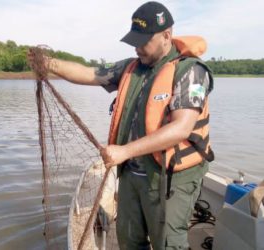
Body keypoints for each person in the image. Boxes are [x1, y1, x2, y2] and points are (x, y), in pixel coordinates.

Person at [28, 1, 214, 249]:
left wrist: (124, 151)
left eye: (143, 41)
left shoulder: (190, 72)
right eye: (134, 41)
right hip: (131, 175)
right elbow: (87, 73)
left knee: (168, 244)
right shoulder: (129, 67)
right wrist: (49, 64)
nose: (137, 47)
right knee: (129, 239)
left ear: (166, 36)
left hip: (170, 177)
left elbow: (181, 128)